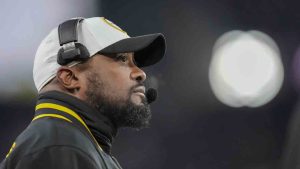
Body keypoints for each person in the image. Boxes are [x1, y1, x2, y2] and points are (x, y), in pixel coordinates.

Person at [0, 17, 166, 169]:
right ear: (70, 78)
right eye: (121, 59)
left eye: (135, 62)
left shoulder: (72, 144)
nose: (141, 73)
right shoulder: (60, 147)